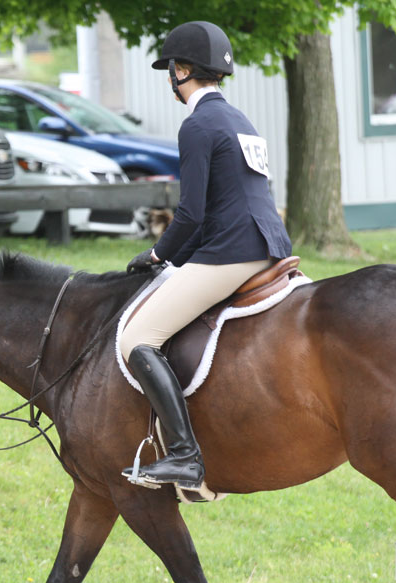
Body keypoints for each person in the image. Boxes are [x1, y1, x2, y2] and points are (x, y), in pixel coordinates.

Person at [119, 21, 292, 491]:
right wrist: (175, 259)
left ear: (181, 70)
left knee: (136, 338)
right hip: (270, 246)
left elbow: (192, 214)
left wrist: (156, 254)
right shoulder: (240, 121)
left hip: (233, 252)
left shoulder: (198, 125)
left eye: (170, 69)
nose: (169, 78)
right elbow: (229, 202)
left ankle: (184, 456)